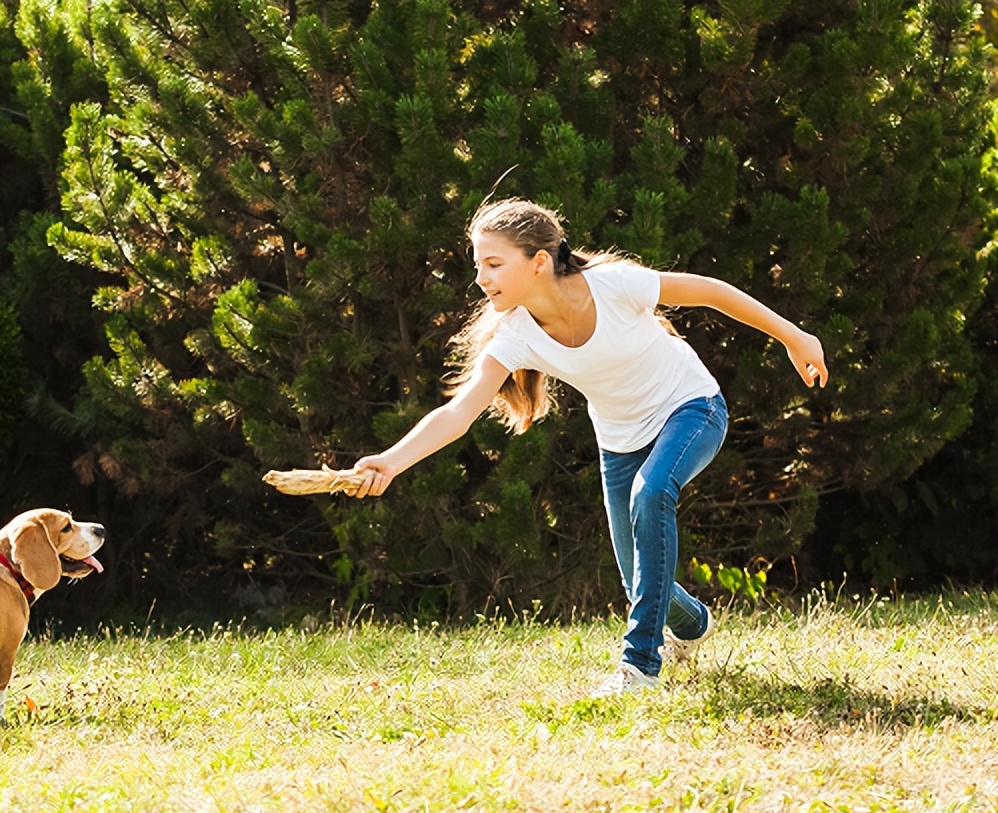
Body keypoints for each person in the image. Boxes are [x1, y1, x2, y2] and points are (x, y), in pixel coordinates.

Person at [349, 198, 828, 696]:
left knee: (652, 492)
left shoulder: (614, 284)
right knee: (637, 578)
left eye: (493, 264)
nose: (481, 279)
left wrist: (794, 337)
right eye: (478, 267)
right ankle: (692, 624)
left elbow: (709, 292)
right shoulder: (515, 335)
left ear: (538, 262)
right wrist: (391, 461)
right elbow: (457, 413)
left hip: (691, 408)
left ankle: (638, 665)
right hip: (620, 442)